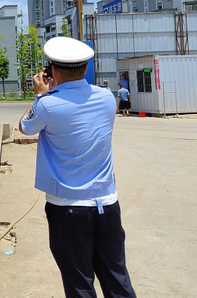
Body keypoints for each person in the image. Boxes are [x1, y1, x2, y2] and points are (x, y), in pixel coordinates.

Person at [19, 37, 137, 298]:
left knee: (79, 282)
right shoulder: (107, 98)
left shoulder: (47, 104)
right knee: (117, 277)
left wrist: (41, 95)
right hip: (107, 203)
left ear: (53, 71)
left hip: (67, 208)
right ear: (85, 69)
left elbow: (24, 127)